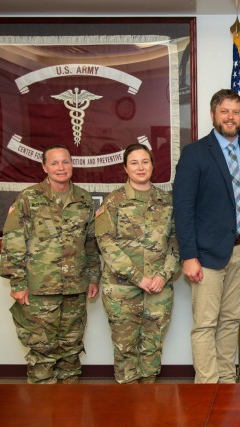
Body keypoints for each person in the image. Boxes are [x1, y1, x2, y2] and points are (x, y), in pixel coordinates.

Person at [173, 89, 240, 384]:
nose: (230, 117)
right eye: (224, 111)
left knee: (230, 322)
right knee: (205, 324)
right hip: (206, 254)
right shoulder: (195, 153)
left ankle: (225, 384)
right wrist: (188, 255)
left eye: (236, 112)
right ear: (213, 115)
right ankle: (206, 388)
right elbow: (183, 208)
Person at [0, 144, 101, 384]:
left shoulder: (84, 200)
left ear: (72, 164)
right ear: (44, 166)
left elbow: (90, 242)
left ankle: (69, 412)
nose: (61, 167)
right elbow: (13, 240)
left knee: (71, 352)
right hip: (39, 290)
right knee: (42, 354)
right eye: (54, 163)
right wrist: (17, 282)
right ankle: (43, 414)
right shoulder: (29, 198)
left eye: (65, 162)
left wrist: (94, 277)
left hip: (75, 288)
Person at [95, 144, 178, 384]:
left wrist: (163, 275)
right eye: (134, 163)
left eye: (145, 162)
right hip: (122, 290)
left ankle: (148, 409)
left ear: (152, 165)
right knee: (125, 350)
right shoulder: (113, 202)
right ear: (125, 168)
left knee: (152, 350)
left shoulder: (167, 201)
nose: (140, 167)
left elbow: (177, 242)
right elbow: (106, 244)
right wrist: (138, 278)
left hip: (158, 289)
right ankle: (128, 412)